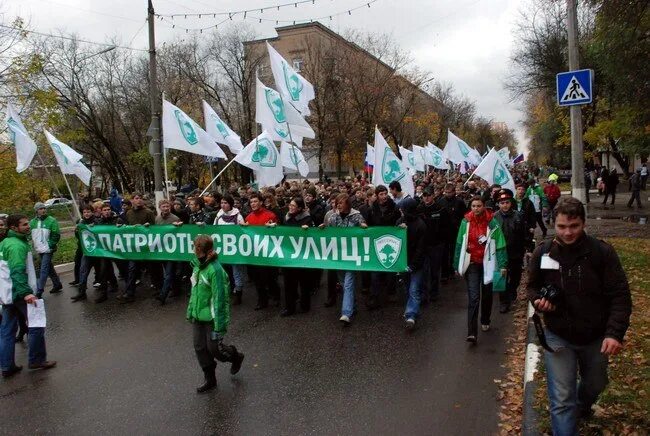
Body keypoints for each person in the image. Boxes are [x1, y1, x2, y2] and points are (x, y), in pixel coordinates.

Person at [526, 197, 632, 435]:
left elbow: (620, 295)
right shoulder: (543, 251)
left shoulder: (601, 252)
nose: (567, 232)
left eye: (573, 226)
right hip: (558, 336)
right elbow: (531, 286)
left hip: (595, 336)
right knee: (562, 400)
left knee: (596, 383)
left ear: (583, 223)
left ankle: (582, 405)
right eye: (562, 226)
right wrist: (539, 301)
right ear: (554, 224)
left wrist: (614, 333)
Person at [0, 214, 57, 378]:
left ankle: (6, 366)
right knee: (36, 325)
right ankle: (37, 360)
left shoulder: (5, 243)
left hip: (7, 295)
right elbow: (17, 272)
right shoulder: (17, 246)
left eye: (27, 224)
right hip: (19, 293)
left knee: (6, 331)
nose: (28, 226)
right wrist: (26, 293)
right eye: (24, 225)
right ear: (13, 228)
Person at [186, 234, 244, 393]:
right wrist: (191, 310)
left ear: (200, 250)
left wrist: (220, 325)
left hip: (212, 319)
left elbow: (221, 299)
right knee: (199, 347)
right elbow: (195, 292)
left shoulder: (215, 270)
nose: (193, 250)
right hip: (199, 316)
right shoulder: (197, 266)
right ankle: (210, 379)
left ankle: (235, 356)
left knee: (215, 350)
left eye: (194, 247)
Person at [453, 196, 507, 343]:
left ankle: (485, 319)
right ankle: (472, 332)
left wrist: (503, 264)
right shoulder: (466, 222)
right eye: (473, 206)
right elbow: (459, 242)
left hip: (488, 264)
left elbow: (500, 244)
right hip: (472, 264)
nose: (476, 208)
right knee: (474, 297)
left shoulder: (492, 222)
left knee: (487, 294)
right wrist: (456, 264)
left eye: (479, 206)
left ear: (484, 206)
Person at [323, 193, 367, 325]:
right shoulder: (333, 217)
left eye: (340, 203)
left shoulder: (357, 216)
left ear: (347, 204)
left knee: (348, 283)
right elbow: (328, 230)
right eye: (337, 204)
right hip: (338, 257)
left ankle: (346, 313)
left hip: (352, 257)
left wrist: (364, 226)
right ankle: (353, 305)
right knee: (344, 283)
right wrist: (322, 228)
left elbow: (365, 229)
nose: (338, 206)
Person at [493, 189, 530, 313]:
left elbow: (525, 234)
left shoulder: (518, 215)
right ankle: (503, 302)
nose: (505, 205)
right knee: (502, 277)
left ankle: (512, 290)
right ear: (499, 204)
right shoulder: (494, 218)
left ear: (511, 203)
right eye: (502, 203)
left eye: (507, 202)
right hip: (500, 253)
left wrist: (528, 248)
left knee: (515, 276)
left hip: (516, 252)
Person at [365, 185, 401, 310]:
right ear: (377, 195)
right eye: (381, 194)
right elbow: (368, 224)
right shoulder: (372, 209)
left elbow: (398, 221)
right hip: (376, 243)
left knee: (390, 269)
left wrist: (400, 226)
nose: (384, 196)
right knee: (375, 272)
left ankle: (391, 292)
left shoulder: (394, 208)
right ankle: (374, 296)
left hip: (391, 242)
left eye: (386, 193)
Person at [244, 193, 280, 310]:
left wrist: (274, 228)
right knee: (257, 280)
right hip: (255, 254)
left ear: (261, 202)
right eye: (251, 202)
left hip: (268, 253)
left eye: (255, 201)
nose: (253, 204)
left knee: (270, 278)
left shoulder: (270, 215)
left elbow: (279, 233)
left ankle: (276, 296)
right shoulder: (248, 217)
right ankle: (262, 300)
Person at [281, 197, 315, 316]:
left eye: (293, 206)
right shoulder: (286, 218)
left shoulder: (307, 219)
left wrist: (308, 230)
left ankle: (305, 305)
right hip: (289, 256)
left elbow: (312, 236)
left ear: (300, 208)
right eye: (290, 205)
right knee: (289, 284)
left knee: (304, 283)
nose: (290, 207)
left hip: (302, 257)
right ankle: (289, 308)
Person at [119, 193, 156, 303]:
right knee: (132, 269)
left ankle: (159, 289)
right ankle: (129, 293)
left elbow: (155, 229)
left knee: (152, 269)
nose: (139, 200)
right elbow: (126, 227)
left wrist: (148, 227)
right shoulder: (129, 213)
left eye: (140, 198)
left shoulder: (149, 212)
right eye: (136, 198)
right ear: (132, 201)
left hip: (147, 247)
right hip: (135, 248)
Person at [397, 198, 427, 330]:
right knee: (408, 287)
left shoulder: (421, 225)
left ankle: (411, 315)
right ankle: (412, 309)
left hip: (416, 264)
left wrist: (413, 265)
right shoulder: (399, 222)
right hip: (404, 262)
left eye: (402, 208)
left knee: (414, 289)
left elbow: (421, 248)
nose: (400, 210)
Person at [416, 187, 450, 303]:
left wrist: (442, 241)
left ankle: (434, 292)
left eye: (429, 195)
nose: (426, 198)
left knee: (435, 271)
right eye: (424, 195)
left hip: (436, 245)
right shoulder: (419, 209)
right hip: (423, 245)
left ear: (433, 195)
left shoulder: (441, 209)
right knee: (424, 271)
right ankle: (424, 294)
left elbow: (446, 226)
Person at [214, 195, 245, 305]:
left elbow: (242, 232)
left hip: (235, 249)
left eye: (225, 203)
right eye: (222, 203)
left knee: (236, 272)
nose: (223, 205)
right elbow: (215, 230)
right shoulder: (218, 216)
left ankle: (238, 293)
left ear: (230, 204)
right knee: (224, 272)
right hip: (222, 250)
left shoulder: (238, 216)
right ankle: (227, 291)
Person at [30, 202, 63, 298]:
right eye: (40, 209)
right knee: (49, 268)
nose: (43, 210)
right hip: (38, 249)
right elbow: (29, 234)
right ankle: (57, 284)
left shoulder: (51, 220)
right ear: (36, 210)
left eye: (44, 208)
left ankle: (39, 290)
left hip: (48, 249)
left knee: (43, 269)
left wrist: (50, 245)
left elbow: (56, 235)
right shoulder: (32, 222)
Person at [69, 206, 100, 302]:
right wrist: (77, 231)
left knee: (102, 271)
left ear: (92, 212)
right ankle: (82, 292)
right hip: (87, 251)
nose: (86, 214)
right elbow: (79, 238)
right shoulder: (81, 223)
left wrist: (94, 228)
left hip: (98, 252)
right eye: (84, 212)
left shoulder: (97, 221)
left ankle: (105, 290)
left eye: (88, 212)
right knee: (83, 270)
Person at [154, 199, 182, 305]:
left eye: (167, 207)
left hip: (172, 250)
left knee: (169, 273)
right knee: (169, 271)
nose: (166, 208)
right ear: (160, 207)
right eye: (163, 207)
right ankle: (176, 290)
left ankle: (163, 295)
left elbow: (180, 234)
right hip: (162, 250)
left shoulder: (175, 218)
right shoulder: (157, 219)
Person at [438, 183, 467, 281]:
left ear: (454, 192)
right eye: (446, 192)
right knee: (444, 253)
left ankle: (452, 271)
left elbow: (464, 215)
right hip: (443, 231)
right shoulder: (441, 202)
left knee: (454, 251)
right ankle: (444, 273)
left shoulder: (459, 202)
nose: (448, 194)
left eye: (449, 192)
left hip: (456, 231)